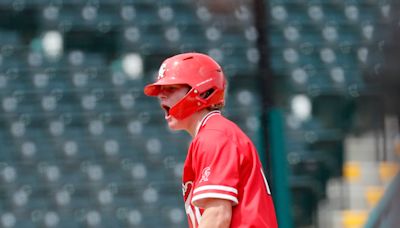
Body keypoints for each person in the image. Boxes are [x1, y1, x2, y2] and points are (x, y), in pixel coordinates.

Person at [144, 52, 278, 228]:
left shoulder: (214, 136)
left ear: (202, 90)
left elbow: (217, 215)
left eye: (171, 88)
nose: (161, 96)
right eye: (161, 90)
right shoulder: (213, 133)